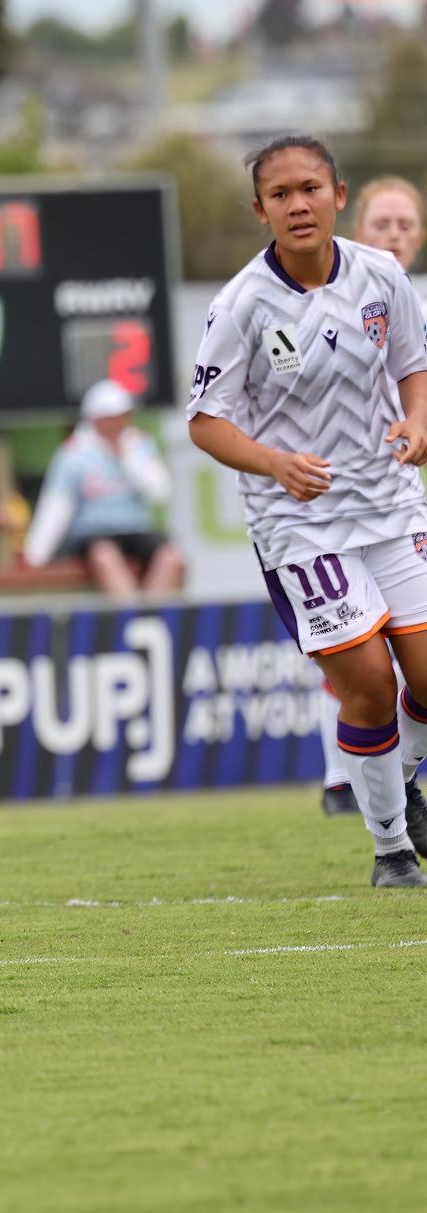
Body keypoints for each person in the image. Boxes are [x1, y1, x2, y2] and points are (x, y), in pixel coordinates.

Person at [187, 134, 427, 887]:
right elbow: (205, 419)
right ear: (260, 210)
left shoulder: (382, 275)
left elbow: (414, 368)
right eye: (281, 194)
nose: (298, 203)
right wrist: (274, 462)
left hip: (389, 504)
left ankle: (404, 784)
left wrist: (417, 424)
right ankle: (391, 846)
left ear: (339, 195)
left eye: (310, 188)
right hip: (301, 525)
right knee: (366, 682)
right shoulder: (241, 305)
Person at [318, 176, 425, 815]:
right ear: (358, 227)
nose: (393, 235)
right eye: (382, 223)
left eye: (405, 225)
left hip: (403, 500)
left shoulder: (408, 304)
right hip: (331, 514)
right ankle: (348, 785)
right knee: (360, 664)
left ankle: (396, 784)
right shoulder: (320, 300)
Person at [23, 380, 184, 597]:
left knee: (171, 557)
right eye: (111, 417)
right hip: (94, 534)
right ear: (95, 419)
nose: (119, 423)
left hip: (136, 529)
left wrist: (128, 457)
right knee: (105, 557)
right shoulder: (74, 454)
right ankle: (131, 620)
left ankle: (151, 619)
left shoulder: (139, 445)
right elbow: (56, 505)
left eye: (122, 415)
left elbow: (160, 493)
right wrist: (35, 555)